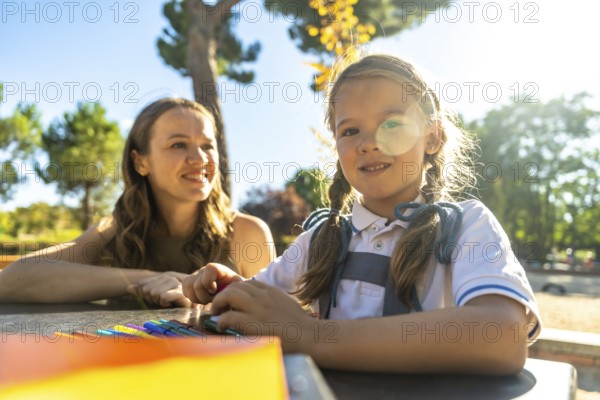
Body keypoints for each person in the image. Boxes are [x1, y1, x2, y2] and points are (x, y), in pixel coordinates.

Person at [182, 55, 542, 374]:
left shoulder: (465, 225)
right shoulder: (321, 239)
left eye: (392, 123)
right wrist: (228, 286)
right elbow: (262, 304)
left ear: (432, 137)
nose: (368, 142)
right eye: (350, 130)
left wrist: (314, 337)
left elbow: (501, 336)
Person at [0, 98, 274, 307]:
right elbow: (13, 280)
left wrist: (196, 295)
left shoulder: (247, 233)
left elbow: (278, 321)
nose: (200, 158)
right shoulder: (115, 230)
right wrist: (142, 279)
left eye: (207, 145)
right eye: (179, 144)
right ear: (140, 162)